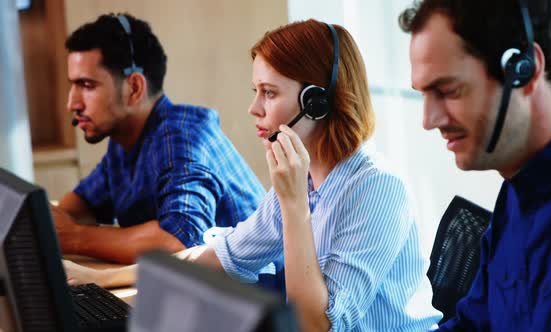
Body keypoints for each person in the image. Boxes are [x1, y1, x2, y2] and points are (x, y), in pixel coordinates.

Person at [65, 19, 442, 331]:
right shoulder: (305, 180)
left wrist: (293, 204)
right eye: (255, 91)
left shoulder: (376, 189)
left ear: (317, 102)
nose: (253, 108)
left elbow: (317, 324)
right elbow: (219, 256)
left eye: (269, 93)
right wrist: (103, 279)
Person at [400, 0, 551, 330]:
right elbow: (475, 324)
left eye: (448, 90)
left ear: (525, 69)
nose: (428, 121)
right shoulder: (516, 192)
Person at [52, 13, 265, 264]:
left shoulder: (183, 137)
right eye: (72, 86)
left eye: (87, 85)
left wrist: (74, 237)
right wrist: (49, 222)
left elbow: (179, 241)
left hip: (260, 298)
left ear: (134, 88)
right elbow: (82, 206)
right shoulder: (123, 141)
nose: (71, 103)